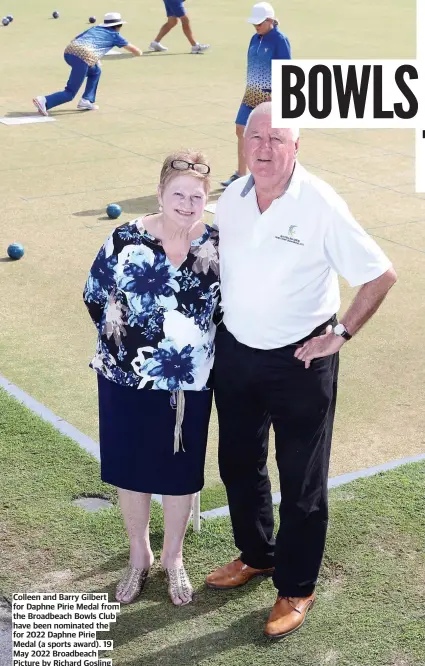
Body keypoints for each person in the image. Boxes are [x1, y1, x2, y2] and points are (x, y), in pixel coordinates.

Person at [207, 102, 397, 638]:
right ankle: (257, 554)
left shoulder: (320, 203)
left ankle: (295, 586)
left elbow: (380, 275)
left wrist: (340, 334)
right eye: (255, 138)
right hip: (238, 354)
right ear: (244, 142)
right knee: (238, 464)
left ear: (296, 148)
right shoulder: (235, 198)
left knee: (301, 481)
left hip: (300, 361)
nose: (264, 148)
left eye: (277, 139)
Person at [83, 151, 219, 606]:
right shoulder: (123, 238)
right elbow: (94, 295)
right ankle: (139, 555)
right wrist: (128, 347)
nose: (186, 203)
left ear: (206, 200)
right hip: (125, 378)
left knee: (179, 473)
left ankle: (172, 558)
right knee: (132, 467)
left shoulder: (220, 243)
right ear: (160, 193)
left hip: (190, 383)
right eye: (177, 193)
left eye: (195, 196)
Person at [221, 2, 291, 188]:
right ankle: (241, 174)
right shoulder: (254, 38)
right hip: (252, 92)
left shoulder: (279, 39)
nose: (256, 26)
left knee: (267, 137)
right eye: (255, 23)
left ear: (270, 20)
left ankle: (268, 175)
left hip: (269, 95)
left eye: (260, 23)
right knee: (240, 128)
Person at [33, 12, 142, 116]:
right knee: (70, 93)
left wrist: (94, 57)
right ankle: (45, 100)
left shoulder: (95, 28)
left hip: (68, 52)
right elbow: (136, 51)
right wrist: (139, 53)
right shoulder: (115, 35)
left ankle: (86, 100)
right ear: (118, 26)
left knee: (95, 71)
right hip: (83, 58)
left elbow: (76, 39)